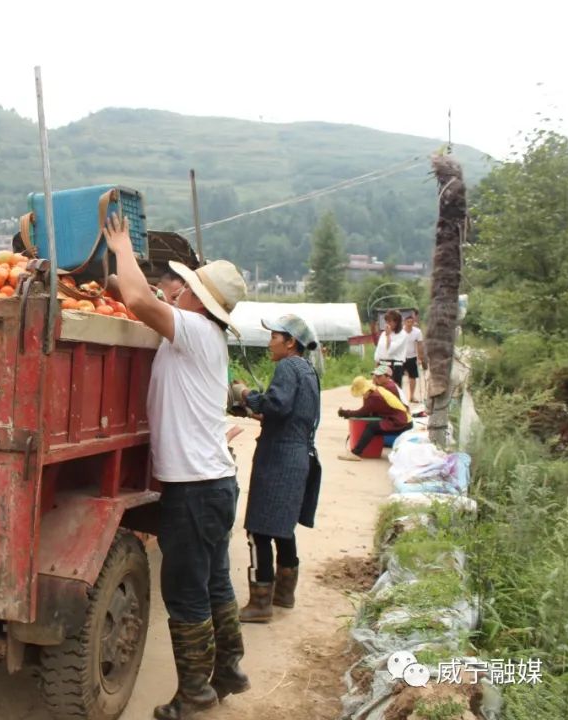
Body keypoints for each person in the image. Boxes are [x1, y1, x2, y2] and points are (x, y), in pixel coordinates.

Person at [104, 214, 249, 720]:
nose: (178, 291)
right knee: (214, 584)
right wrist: (111, 278)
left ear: (196, 300)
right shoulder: (203, 335)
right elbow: (142, 299)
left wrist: (121, 244)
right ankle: (228, 669)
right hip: (215, 484)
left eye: (185, 286)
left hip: (195, 489)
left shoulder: (191, 330)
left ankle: (195, 696)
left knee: (186, 593)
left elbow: (142, 302)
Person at [229, 315, 321, 624]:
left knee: (258, 530)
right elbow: (289, 415)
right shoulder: (308, 371)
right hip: (298, 456)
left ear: (290, 342)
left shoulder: (287, 367)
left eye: (274, 337)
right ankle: (284, 594)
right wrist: (254, 412)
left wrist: (244, 395)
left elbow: (277, 405)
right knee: (282, 528)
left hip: (279, 459)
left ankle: (260, 603)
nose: (270, 343)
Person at [336, 375, 413, 461]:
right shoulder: (376, 390)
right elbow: (368, 412)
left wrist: (345, 413)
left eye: (362, 393)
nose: (362, 395)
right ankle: (367, 451)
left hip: (402, 422)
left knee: (372, 427)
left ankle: (355, 453)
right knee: (375, 425)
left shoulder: (374, 398)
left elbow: (361, 413)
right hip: (403, 419)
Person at [374, 309, 407, 388]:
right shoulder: (383, 334)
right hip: (383, 364)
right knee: (382, 388)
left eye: (390, 321)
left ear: (396, 322)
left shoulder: (402, 334)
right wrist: (377, 365)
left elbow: (390, 349)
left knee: (394, 388)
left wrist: (388, 336)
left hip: (395, 365)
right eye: (386, 321)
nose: (387, 324)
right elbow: (379, 350)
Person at [402, 313, 427, 403]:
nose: (409, 324)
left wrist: (421, 357)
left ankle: (412, 396)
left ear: (413, 323)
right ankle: (399, 397)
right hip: (401, 357)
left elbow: (420, 344)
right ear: (404, 322)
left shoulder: (417, 332)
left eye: (411, 322)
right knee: (398, 377)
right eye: (407, 322)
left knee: (412, 377)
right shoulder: (400, 331)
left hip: (412, 356)